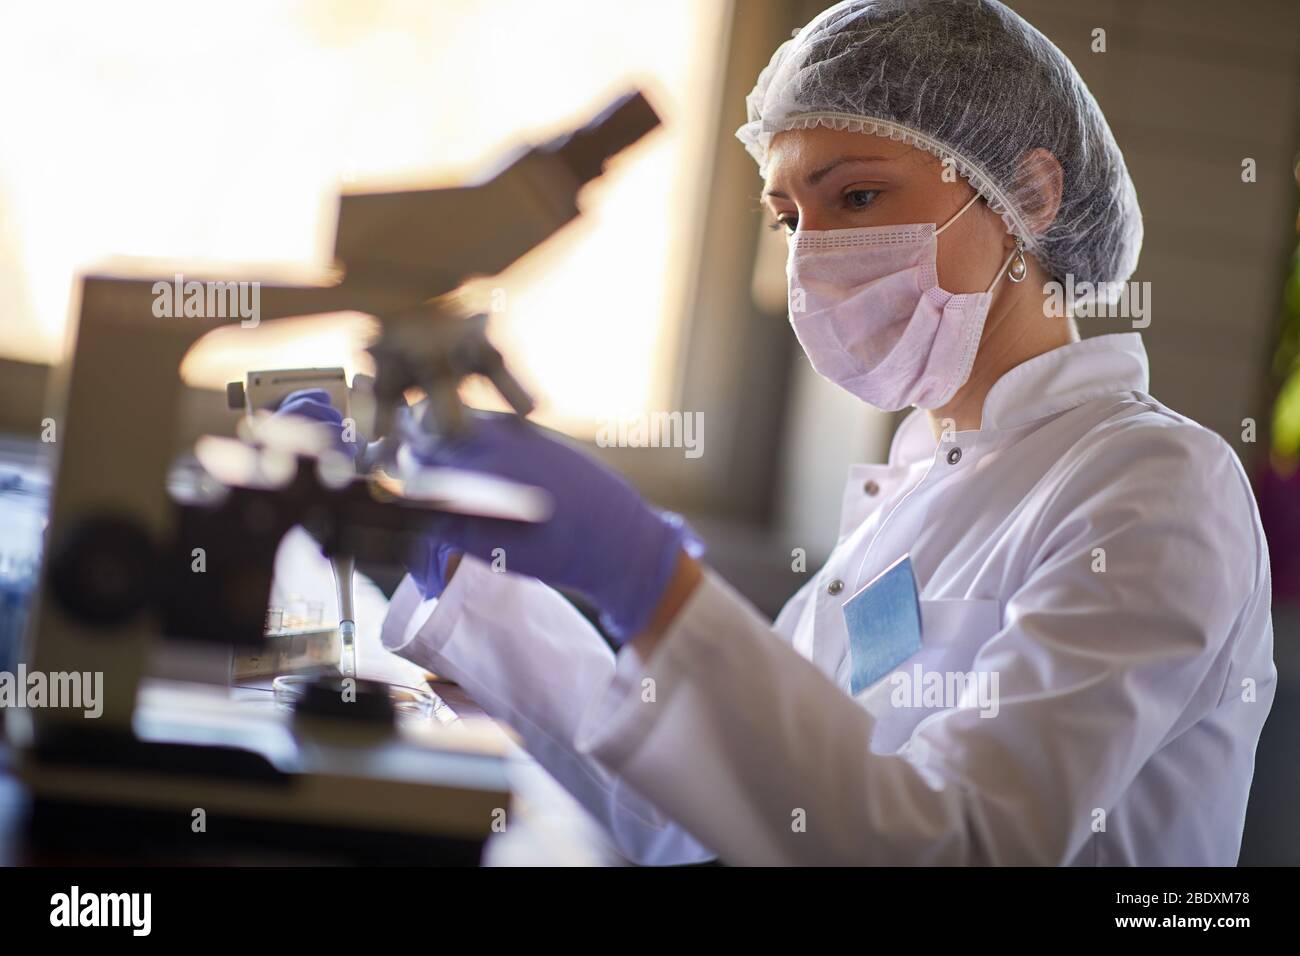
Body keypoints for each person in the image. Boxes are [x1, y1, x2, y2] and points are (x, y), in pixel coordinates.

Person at [283, 0, 1275, 865]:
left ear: (1033, 194)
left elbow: (966, 846)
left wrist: (652, 579)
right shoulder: (923, 485)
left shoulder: (1154, 481)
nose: (816, 255)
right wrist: (462, 572)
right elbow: (695, 821)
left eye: (857, 195)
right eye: (787, 214)